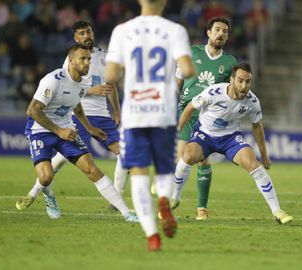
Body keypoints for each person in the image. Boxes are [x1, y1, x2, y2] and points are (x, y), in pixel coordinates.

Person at [105, 0, 195, 251]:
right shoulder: (175, 30)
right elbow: (187, 69)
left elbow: (110, 76)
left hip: (135, 113)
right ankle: (164, 199)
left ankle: (152, 236)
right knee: (165, 169)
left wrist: (127, 66)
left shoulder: (122, 31)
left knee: (139, 174)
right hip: (164, 111)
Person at [15, 44, 139, 223]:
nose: (87, 62)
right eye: (83, 59)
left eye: (88, 59)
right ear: (71, 61)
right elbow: (32, 110)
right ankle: (49, 197)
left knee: (92, 170)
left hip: (67, 130)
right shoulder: (53, 80)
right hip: (40, 130)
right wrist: (59, 131)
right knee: (46, 176)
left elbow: (76, 106)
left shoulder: (82, 84)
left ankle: (126, 213)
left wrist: (89, 128)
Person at [171, 62, 293, 225]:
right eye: (240, 81)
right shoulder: (213, 93)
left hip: (230, 139)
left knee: (253, 165)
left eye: (248, 81)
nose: (244, 86)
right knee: (187, 156)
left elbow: (257, 127)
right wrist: (178, 129)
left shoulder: (252, 102)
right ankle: (175, 197)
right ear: (232, 80)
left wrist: (264, 156)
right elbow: (190, 107)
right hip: (204, 135)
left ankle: (277, 211)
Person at [34, 20, 128, 210]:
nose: (86, 35)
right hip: (79, 115)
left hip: (102, 116)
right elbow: (68, 87)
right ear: (75, 38)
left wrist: (117, 111)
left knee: (125, 155)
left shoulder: (104, 57)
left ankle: (115, 201)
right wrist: (93, 90)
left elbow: (111, 87)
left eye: (88, 31)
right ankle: (36, 189)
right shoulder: (72, 59)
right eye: (82, 33)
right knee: (63, 157)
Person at [172, 16, 237, 221]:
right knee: (182, 158)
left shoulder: (230, 62)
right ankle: (170, 194)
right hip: (186, 110)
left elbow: (230, 92)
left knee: (202, 160)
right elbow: (177, 80)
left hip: (208, 116)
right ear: (208, 32)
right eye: (217, 29)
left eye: (225, 31)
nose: (221, 34)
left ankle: (201, 209)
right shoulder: (192, 52)